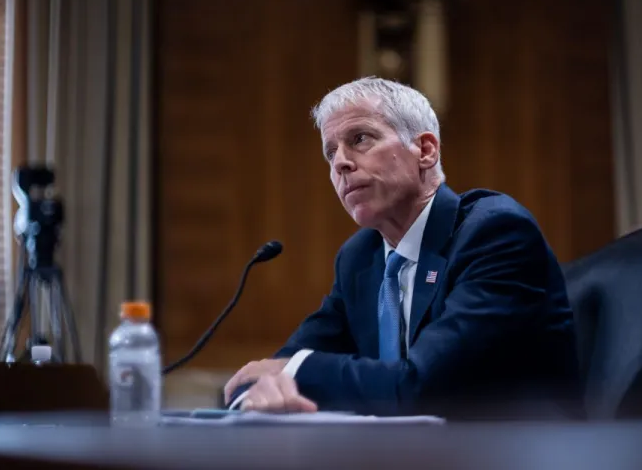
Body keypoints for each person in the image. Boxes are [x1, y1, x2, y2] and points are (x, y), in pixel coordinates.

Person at [223, 77, 582, 419]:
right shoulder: (360, 258)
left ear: (425, 150)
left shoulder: (494, 234)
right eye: (330, 152)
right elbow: (274, 371)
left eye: (359, 139)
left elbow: (424, 387)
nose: (340, 163)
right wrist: (257, 391)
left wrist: (293, 369)